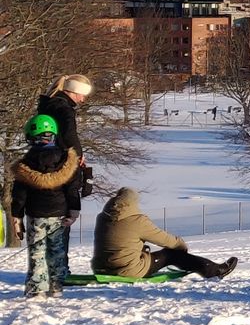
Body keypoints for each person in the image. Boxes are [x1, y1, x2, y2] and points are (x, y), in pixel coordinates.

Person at [92, 188, 237, 280]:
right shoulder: (137, 221)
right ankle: (215, 271)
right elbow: (164, 239)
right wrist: (180, 246)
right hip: (127, 270)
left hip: (101, 268)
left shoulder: (102, 218)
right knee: (171, 254)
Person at [9, 114, 81, 297]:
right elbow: (72, 189)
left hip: (36, 215)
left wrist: (17, 217)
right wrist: (74, 211)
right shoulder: (65, 161)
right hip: (60, 214)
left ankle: (37, 289)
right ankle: (56, 286)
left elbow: (19, 195)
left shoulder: (26, 164)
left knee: (37, 252)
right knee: (57, 251)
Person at [37, 73, 94, 191]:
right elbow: (69, 135)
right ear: (74, 91)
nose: (82, 100)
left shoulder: (47, 104)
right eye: (82, 95)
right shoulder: (65, 109)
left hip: (42, 157)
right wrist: (78, 156)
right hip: (59, 161)